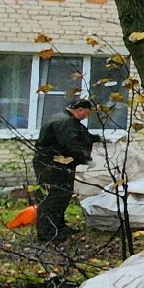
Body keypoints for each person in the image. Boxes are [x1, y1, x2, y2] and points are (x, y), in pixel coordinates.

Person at [32, 97, 102, 244]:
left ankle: (59, 227)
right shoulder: (65, 122)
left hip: (59, 163)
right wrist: (85, 159)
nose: (86, 117)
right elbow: (71, 145)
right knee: (54, 197)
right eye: (87, 114)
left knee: (64, 195)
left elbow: (83, 136)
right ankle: (48, 234)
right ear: (80, 110)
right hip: (51, 164)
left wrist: (98, 139)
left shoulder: (68, 120)